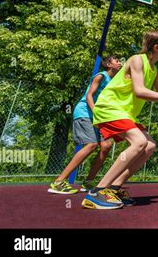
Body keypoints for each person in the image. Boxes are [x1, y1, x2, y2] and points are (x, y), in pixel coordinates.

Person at [81, 30, 158, 210]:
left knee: (149, 146)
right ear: (156, 47)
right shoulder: (136, 60)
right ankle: (98, 191)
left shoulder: (154, 69)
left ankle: (115, 187)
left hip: (124, 113)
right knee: (139, 142)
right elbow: (140, 91)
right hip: (110, 108)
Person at [48, 56, 122, 194]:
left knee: (106, 146)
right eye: (116, 61)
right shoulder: (101, 76)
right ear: (108, 64)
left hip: (99, 117)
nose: (120, 63)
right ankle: (58, 182)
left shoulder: (114, 82)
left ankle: (88, 182)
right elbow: (89, 96)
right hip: (85, 113)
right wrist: (96, 113)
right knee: (91, 144)